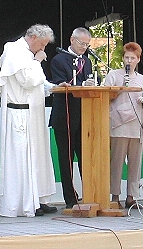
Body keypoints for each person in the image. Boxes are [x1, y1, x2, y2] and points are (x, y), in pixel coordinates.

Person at [0, 24, 68, 217]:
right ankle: (27, 202)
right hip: (20, 114)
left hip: (34, 113)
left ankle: (40, 198)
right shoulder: (13, 50)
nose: (43, 49)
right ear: (34, 37)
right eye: (43, 44)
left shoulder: (29, 54)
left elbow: (39, 83)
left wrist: (53, 87)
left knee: (38, 156)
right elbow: (27, 80)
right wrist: (37, 61)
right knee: (23, 158)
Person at [49, 27, 94, 209]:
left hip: (84, 115)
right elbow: (59, 84)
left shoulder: (87, 61)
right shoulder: (59, 60)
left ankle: (90, 193)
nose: (84, 47)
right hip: (64, 114)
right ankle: (70, 197)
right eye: (81, 43)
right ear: (72, 40)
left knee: (85, 156)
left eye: (87, 44)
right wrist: (81, 84)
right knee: (66, 158)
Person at [103, 42, 143, 209]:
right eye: (126, 57)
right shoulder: (114, 75)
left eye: (133, 58)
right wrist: (122, 86)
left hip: (136, 125)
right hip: (119, 124)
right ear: (123, 59)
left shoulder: (142, 79)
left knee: (135, 163)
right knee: (117, 161)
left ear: (138, 60)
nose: (129, 61)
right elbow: (106, 95)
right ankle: (115, 196)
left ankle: (132, 196)